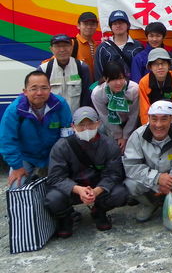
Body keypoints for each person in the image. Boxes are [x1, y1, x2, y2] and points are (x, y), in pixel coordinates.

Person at [45, 107, 128, 237]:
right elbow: (56, 177)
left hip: (98, 187)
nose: (86, 128)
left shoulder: (109, 144)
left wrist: (97, 191)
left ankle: (99, 210)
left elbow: (114, 173)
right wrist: (78, 189)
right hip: (73, 189)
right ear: (73, 126)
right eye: (81, 125)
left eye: (90, 124)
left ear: (98, 123)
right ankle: (66, 216)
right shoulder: (61, 146)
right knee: (53, 199)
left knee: (121, 193)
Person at [123, 100, 172, 222]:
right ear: (148, 118)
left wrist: (169, 180)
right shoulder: (137, 135)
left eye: (164, 119)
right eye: (154, 119)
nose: (158, 124)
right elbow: (131, 166)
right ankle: (149, 205)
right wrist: (157, 178)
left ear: (171, 119)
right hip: (150, 181)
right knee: (131, 184)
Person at [0, 71, 73, 189]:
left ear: (50, 89)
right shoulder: (15, 110)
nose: (39, 93)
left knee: (64, 186)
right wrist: (17, 167)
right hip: (26, 156)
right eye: (34, 88)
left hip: (52, 155)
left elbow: (67, 135)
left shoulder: (60, 104)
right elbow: (6, 140)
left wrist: (64, 160)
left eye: (44, 88)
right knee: (16, 187)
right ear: (25, 91)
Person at [91, 61, 140, 153]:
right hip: (110, 125)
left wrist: (125, 136)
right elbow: (104, 116)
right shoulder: (97, 93)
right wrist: (118, 136)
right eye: (113, 79)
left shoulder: (134, 89)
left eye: (121, 78)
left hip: (130, 124)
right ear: (105, 79)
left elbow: (134, 114)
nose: (118, 83)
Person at [138, 48, 172, 129]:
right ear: (150, 67)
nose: (160, 67)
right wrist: (149, 129)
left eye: (163, 63)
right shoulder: (144, 82)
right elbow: (144, 110)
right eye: (156, 64)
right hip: (153, 122)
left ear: (169, 65)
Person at [39, 34, 91, 113]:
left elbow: (86, 97)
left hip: (75, 118)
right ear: (51, 49)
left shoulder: (81, 67)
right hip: (53, 118)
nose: (62, 50)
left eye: (65, 46)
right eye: (57, 46)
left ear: (71, 47)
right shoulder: (44, 69)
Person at [93, 10, 144, 81]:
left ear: (128, 25)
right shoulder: (103, 48)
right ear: (111, 27)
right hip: (110, 87)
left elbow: (143, 70)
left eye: (121, 23)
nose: (118, 26)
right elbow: (99, 73)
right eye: (115, 23)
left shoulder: (138, 46)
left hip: (134, 86)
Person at [73, 11, 100, 81]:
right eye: (85, 24)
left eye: (92, 24)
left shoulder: (98, 46)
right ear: (78, 26)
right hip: (78, 85)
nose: (89, 27)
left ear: (96, 26)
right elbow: (50, 63)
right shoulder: (72, 44)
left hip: (95, 86)